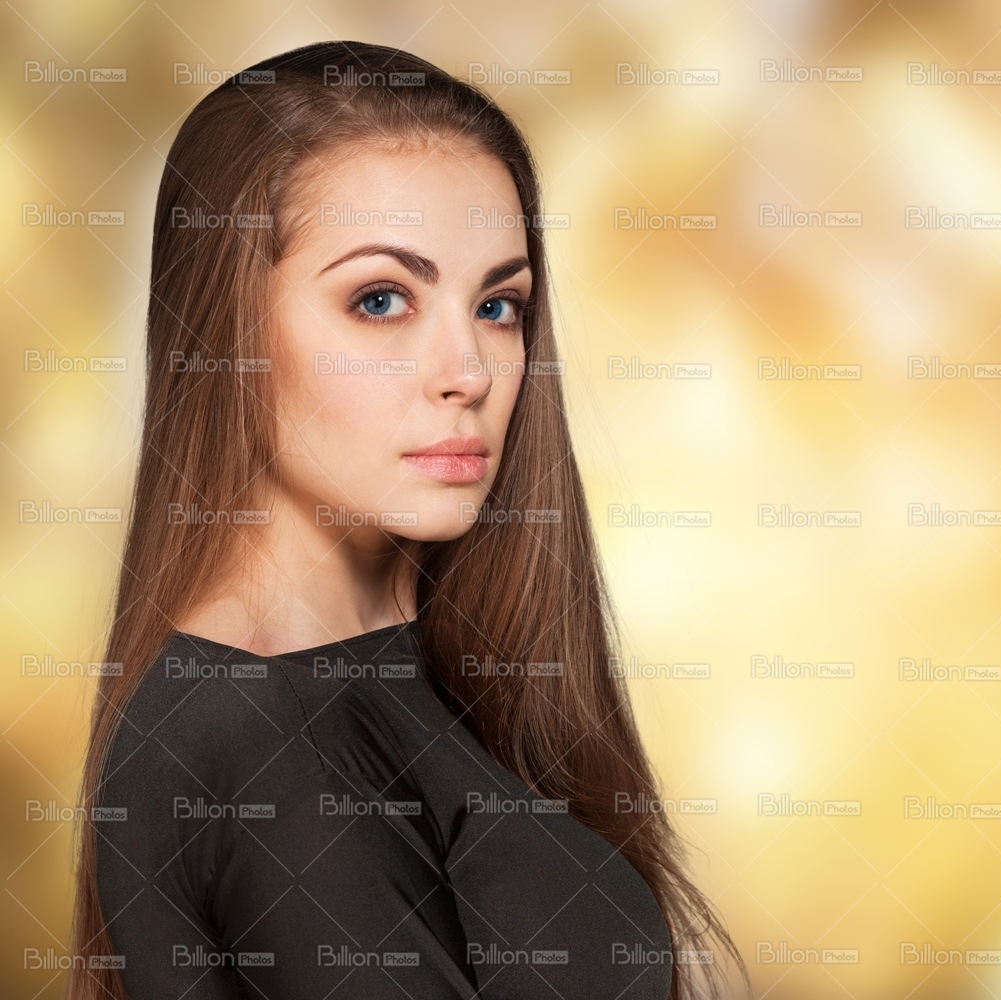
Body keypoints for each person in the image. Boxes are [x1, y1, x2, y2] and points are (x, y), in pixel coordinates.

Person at [68, 40, 740, 1000]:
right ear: (225, 331)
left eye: (498, 305)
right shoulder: (263, 744)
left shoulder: (431, 655)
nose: (468, 371)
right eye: (381, 300)